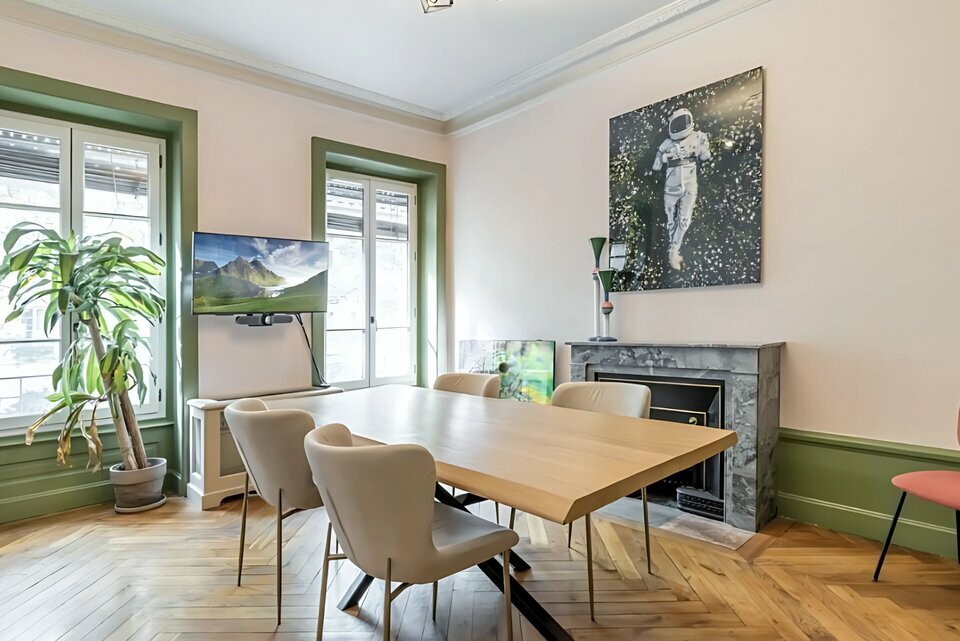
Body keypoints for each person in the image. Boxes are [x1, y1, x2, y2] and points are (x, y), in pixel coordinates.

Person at [652, 108, 711, 270]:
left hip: (689, 181)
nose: (679, 126)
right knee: (671, 220)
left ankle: (674, 249)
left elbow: (705, 156)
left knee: (684, 219)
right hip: (672, 183)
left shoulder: (698, 137)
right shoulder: (668, 143)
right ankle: (672, 250)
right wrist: (666, 156)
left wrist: (700, 147)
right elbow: (656, 165)